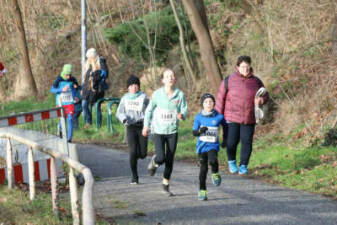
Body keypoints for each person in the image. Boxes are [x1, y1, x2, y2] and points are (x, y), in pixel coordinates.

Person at [215, 55, 269, 175]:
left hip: (249, 117)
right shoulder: (228, 80)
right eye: (243, 67)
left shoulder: (256, 81)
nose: (245, 69)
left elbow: (265, 94)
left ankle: (243, 165)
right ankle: (231, 161)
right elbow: (220, 99)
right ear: (237, 67)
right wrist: (217, 118)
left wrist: (261, 100)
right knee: (231, 142)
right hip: (231, 117)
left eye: (247, 67)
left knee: (247, 142)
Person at [142, 69, 188, 196]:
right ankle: (154, 162)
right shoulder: (157, 94)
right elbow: (149, 111)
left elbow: (184, 110)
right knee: (161, 157)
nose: (171, 78)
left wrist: (182, 115)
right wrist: (146, 126)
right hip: (158, 130)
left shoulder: (179, 94)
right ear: (163, 80)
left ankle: (165, 184)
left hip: (172, 131)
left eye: (172, 76)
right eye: (167, 76)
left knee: (170, 159)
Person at [116, 75, 149, 184]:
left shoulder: (144, 97)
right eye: (131, 85)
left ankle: (137, 156)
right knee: (133, 151)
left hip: (142, 125)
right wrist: (124, 119)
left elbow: (151, 109)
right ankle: (134, 176)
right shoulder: (125, 98)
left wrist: (150, 123)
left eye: (136, 85)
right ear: (128, 88)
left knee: (143, 154)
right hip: (130, 126)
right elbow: (119, 112)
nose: (134, 87)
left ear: (139, 86)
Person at [193, 93, 227, 201]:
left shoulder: (219, 117)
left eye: (210, 102)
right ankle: (202, 190)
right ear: (202, 104)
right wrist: (199, 131)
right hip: (202, 147)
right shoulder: (198, 117)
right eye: (206, 102)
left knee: (213, 160)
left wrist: (225, 140)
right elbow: (194, 132)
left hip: (213, 145)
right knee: (203, 169)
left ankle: (215, 173)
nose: (208, 104)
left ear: (214, 104)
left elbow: (226, 127)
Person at [50, 64, 79, 142]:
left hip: (70, 102)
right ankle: (60, 130)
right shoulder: (58, 79)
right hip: (61, 103)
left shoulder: (72, 79)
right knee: (62, 119)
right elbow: (52, 89)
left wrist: (75, 96)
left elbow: (74, 89)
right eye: (67, 75)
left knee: (70, 119)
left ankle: (69, 139)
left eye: (69, 75)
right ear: (63, 73)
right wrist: (61, 90)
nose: (68, 77)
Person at [82, 48, 109, 129]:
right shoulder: (87, 64)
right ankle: (89, 122)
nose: (88, 59)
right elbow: (86, 79)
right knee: (84, 105)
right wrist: (83, 89)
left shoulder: (101, 61)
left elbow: (105, 74)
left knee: (96, 107)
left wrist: (95, 75)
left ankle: (99, 125)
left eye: (89, 57)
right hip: (87, 90)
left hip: (98, 90)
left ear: (93, 56)